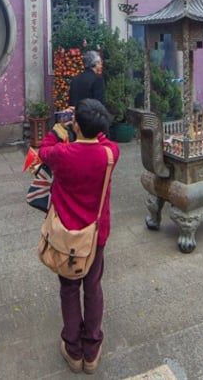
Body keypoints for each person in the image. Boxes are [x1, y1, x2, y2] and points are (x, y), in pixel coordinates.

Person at [38, 98, 119, 374]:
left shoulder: (63, 154)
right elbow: (103, 139)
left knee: (69, 289)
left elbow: (43, 150)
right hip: (96, 235)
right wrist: (90, 123)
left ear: (77, 124)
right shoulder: (110, 153)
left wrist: (60, 128)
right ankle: (92, 350)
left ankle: (73, 350)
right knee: (93, 287)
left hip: (66, 236)